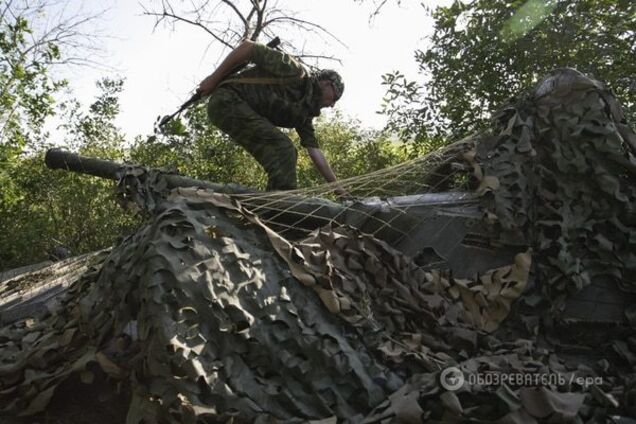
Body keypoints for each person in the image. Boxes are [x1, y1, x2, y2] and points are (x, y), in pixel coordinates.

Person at [197, 39, 347, 196]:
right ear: (325, 84)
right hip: (228, 100)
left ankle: (275, 202)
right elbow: (247, 47)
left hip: (233, 107)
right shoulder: (294, 71)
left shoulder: (303, 112)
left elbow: (315, 152)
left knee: (284, 151)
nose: (332, 105)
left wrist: (339, 190)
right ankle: (280, 207)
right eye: (335, 97)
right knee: (284, 149)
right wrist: (213, 80)